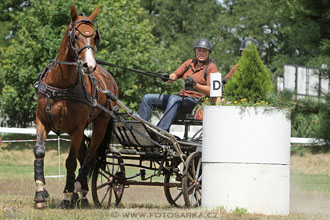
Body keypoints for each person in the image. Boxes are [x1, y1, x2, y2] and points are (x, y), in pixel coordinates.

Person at [137, 39, 219, 132]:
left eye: (204, 51)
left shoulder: (212, 67)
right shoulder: (189, 63)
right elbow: (175, 75)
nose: (201, 53)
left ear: (209, 53)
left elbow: (212, 91)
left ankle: (161, 131)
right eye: (199, 50)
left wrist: (195, 85)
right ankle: (140, 130)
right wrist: (168, 77)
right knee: (147, 98)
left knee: (174, 99)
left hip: (195, 102)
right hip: (180, 98)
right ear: (195, 51)